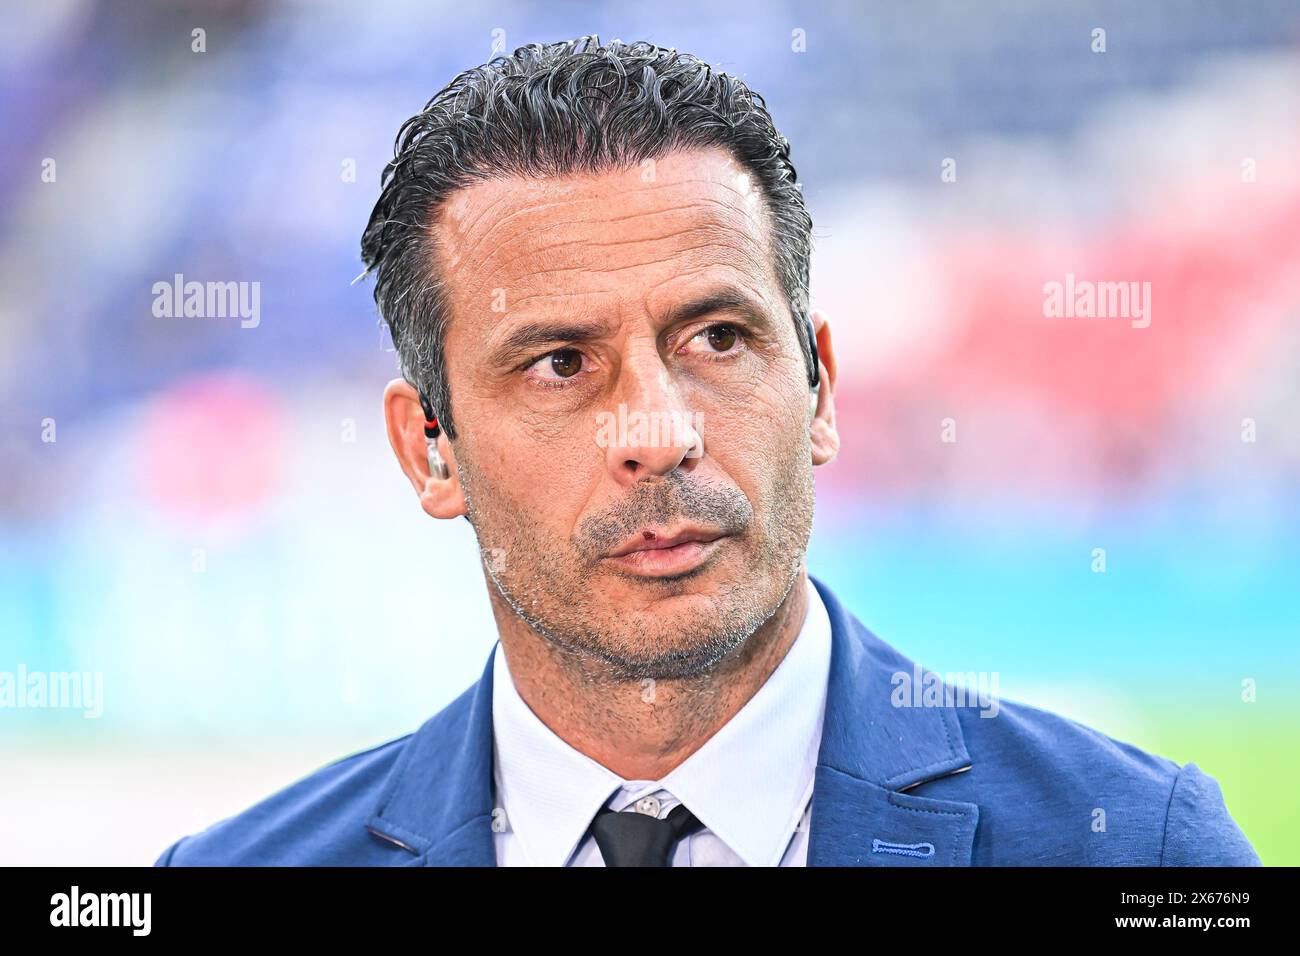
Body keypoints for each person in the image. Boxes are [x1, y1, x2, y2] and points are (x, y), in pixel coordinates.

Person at [154, 36, 1259, 867]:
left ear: (818, 382)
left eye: (717, 338)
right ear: (428, 450)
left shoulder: (1138, 851)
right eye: (557, 363)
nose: (659, 432)